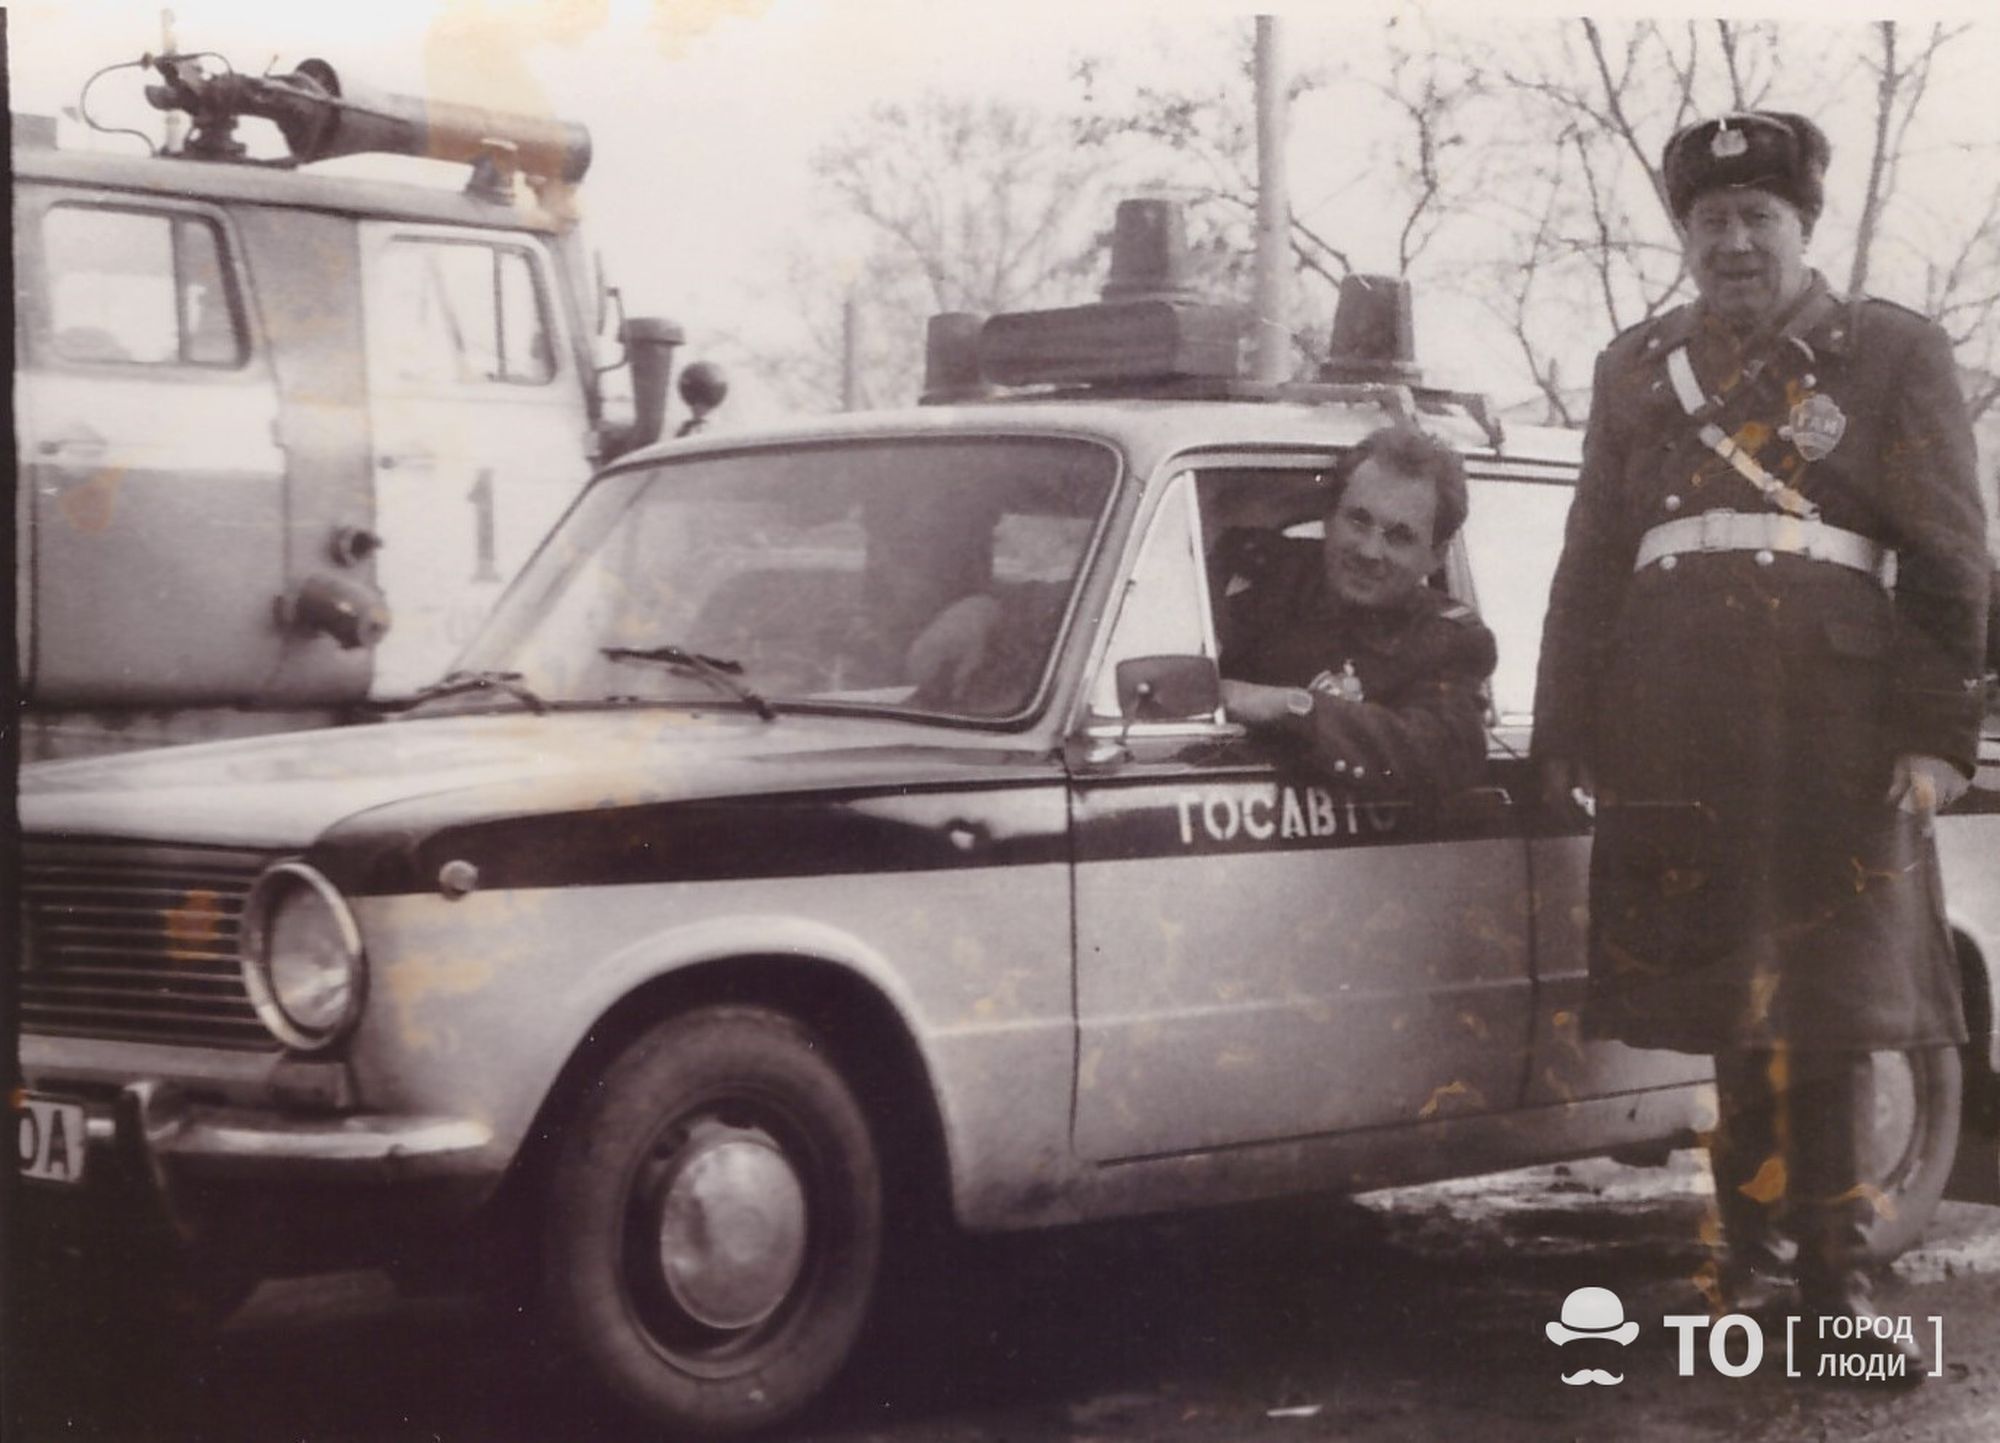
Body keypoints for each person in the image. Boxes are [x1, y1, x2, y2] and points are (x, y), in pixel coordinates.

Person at [1531, 110, 1992, 1377]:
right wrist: (1566, 726)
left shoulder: (1889, 351)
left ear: (1801, 226)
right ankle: (1747, 1265)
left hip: (1829, 728)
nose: (1731, 243)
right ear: (1683, 235)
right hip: (1674, 721)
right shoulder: (1635, 367)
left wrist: (1934, 737)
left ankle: (1837, 1289)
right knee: (1729, 1005)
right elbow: (1589, 558)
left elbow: (1948, 557)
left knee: (1829, 1010)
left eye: (1757, 218)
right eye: (1708, 221)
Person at [1221, 426, 1496, 802]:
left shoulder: (1448, 640)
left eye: (1399, 536)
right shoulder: (1261, 582)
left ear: (1435, 556)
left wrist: (1293, 707)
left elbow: (1443, 751)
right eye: (1358, 520)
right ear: (1328, 517)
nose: (1369, 551)